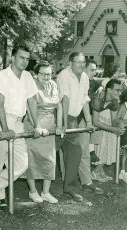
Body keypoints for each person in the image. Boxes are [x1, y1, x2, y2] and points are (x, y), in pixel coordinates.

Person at [0, 45, 43, 208]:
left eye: (27, 59)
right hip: (0, 120)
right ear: (13, 58)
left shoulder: (28, 77)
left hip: (18, 122)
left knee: (21, 163)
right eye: (21, 57)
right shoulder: (2, 75)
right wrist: (3, 128)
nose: (24, 61)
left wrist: (37, 125)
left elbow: (31, 102)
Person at [56, 52, 94, 202]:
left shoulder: (84, 77)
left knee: (75, 152)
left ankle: (69, 187)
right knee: (49, 150)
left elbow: (85, 99)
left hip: (73, 118)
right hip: (59, 116)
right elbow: (64, 99)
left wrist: (89, 121)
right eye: (78, 62)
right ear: (71, 62)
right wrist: (65, 124)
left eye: (83, 62)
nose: (81, 65)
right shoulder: (64, 75)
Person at [24, 61, 63, 203]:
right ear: (36, 74)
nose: (47, 77)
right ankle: (33, 191)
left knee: (49, 160)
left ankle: (46, 192)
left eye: (49, 74)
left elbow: (59, 106)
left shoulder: (53, 85)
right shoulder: (32, 85)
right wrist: (37, 126)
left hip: (50, 126)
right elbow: (29, 108)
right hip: (35, 124)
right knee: (32, 159)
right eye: (44, 74)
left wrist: (59, 125)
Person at [75, 59, 103, 195]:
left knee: (84, 151)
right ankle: (69, 179)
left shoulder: (95, 85)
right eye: (91, 69)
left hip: (85, 120)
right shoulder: (74, 81)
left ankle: (86, 181)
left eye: (95, 70)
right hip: (71, 118)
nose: (94, 72)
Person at [91, 79, 125, 182]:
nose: (119, 93)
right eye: (117, 90)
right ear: (109, 90)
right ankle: (95, 172)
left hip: (104, 121)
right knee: (102, 146)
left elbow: (114, 119)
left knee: (109, 143)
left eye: (120, 90)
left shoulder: (114, 100)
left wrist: (120, 123)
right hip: (90, 120)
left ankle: (100, 171)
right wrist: (113, 129)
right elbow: (95, 122)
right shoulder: (98, 97)